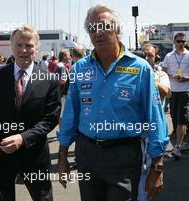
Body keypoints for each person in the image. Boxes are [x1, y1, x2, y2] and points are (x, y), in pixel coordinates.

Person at [57, 4, 169, 201]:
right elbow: (70, 114)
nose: (97, 33)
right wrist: (63, 154)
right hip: (87, 155)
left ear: (117, 29)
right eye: (91, 29)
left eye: (103, 26)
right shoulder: (79, 69)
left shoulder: (140, 68)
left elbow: (155, 117)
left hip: (124, 156)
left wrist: (157, 167)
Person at [0, 25, 61, 201]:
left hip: (35, 154)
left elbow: (51, 118)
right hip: (1, 154)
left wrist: (23, 138)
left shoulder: (49, 80)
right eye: (19, 45)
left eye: (29, 45)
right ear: (11, 46)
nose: (24, 50)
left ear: (36, 48)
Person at [138, 43, 170, 201]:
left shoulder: (160, 73)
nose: (146, 57)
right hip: (136, 131)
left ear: (156, 57)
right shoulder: (133, 71)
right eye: (144, 54)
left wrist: (146, 77)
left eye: (150, 55)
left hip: (154, 130)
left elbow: (166, 91)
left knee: (151, 174)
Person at [162, 32, 189, 159]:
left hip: (185, 90)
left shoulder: (188, 55)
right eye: (178, 41)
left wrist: (186, 78)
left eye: (183, 41)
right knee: (174, 117)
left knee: (181, 118)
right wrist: (172, 77)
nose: (181, 44)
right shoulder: (168, 56)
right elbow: (163, 72)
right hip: (172, 91)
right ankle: (181, 141)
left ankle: (177, 146)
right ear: (174, 42)